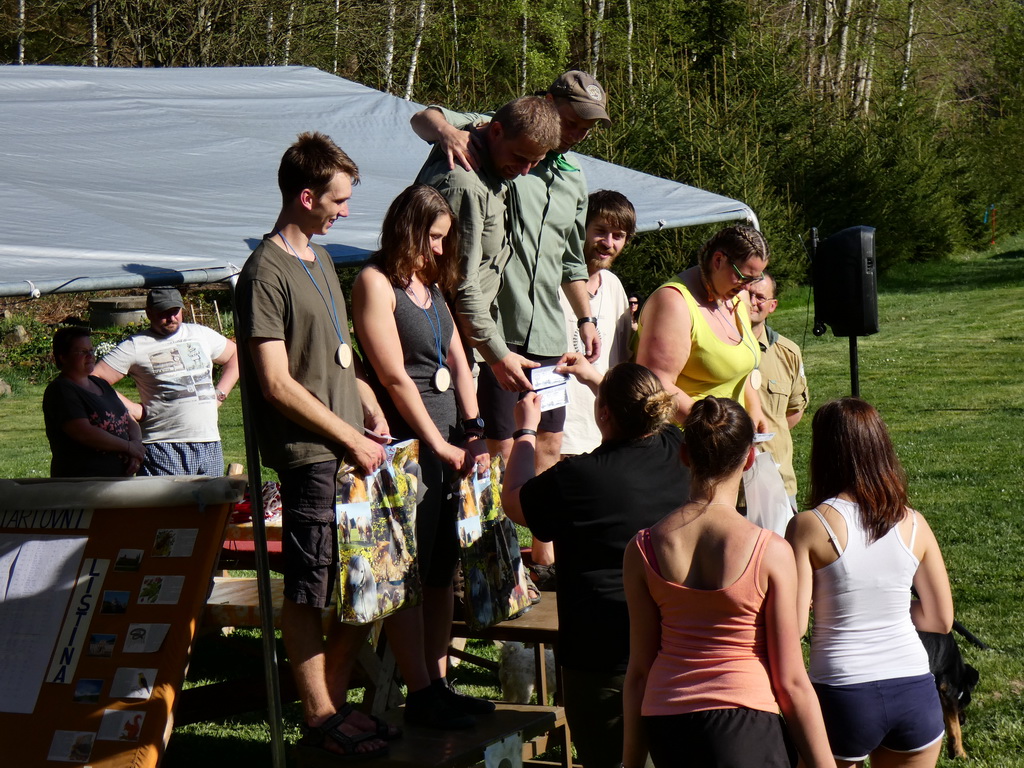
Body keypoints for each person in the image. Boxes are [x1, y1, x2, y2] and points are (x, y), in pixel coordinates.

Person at [234, 132, 398, 760]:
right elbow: (276, 383)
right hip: (312, 458)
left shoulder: (322, 261)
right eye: (338, 200)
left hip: (353, 451)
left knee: (364, 585)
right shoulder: (264, 272)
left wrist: (369, 404)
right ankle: (319, 716)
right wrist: (349, 435)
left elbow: (334, 358)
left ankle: (331, 706)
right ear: (306, 197)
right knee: (311, 589)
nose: (346, 211)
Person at [413, 69, 610, 571]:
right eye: (573, 121)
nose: (578, 133)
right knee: (499, 450)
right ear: (547, 103)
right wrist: (447, 132)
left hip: (546, 332)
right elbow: (424, 117)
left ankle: (543, 562)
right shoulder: (494, 142)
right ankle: (495, 566)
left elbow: (571, 258)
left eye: (587, 128)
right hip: (495, 332)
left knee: (548, 443)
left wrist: (585, 317)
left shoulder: (570, 175)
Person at [622, 396, 833, 768]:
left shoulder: (643, 548)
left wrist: (631, 762)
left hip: (667, 726)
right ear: (749, 459)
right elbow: (791, 681)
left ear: (684, 455)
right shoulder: (770, 551)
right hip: (745, 723)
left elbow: (639, 671)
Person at [352, 184, 494, 729]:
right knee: (407, 574)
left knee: (440, 572)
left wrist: (474, 430)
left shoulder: (430, 285)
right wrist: (436, 442)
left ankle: (440, 683)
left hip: (450, 446)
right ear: (407, 229)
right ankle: (419, 690)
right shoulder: (375, 282)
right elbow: (393, 376)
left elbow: (459, 361)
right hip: (411, 451)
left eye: (444, 239)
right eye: (433, 237)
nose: (439, 248)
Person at [501, 359, 689, 768]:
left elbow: (514, 499)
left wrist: (526, 430)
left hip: (601, 656)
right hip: (673, 644)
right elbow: (640, 408)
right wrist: (595, 379)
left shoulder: (579, 477)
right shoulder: (677, 450)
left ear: (603, 413)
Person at [786, 398, 954, 768]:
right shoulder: (914, 522)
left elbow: (795, 626)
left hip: (842, 693)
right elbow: (940, 619)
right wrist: (889, 606)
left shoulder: (809, 525)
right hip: (914, 690)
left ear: (823, 452)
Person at [634, 225, 768, 431]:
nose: (747, 287)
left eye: (754, 278)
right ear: (718, 260)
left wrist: (755, 409)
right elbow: (656, 383)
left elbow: (743, 367)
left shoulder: (737, 297)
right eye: (743, 276)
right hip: (685, 439)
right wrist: (712, 429)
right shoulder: (673, 303)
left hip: (727, 439)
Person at [93, 287, 239, 477]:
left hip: (209, 442)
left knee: (211, 496)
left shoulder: (201, 334)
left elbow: (235, 355)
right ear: (149, 313)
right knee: (168, 497)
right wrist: (132, 409)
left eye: (175, 311)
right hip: (163, 445)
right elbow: (94, 378)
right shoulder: (136, 345)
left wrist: (219, 394)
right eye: (164, 313)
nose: (171, 318)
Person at [558, 190, 636, 457]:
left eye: (618, 236)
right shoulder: (552, 280)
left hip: (603, 435)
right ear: (582, 228)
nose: (608, 243)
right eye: (600, 231)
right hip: (556, 433)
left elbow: (623, 361)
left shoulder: (613, 286)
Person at [43, 326, 145, 478]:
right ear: (63, 357)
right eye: (82, 352)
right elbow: (84, 433)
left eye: (91, 350)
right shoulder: (61, 390)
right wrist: (129, 447)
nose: (90, 356)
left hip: (119, 480)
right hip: (83, 482)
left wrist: (136, 448)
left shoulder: (100, 383)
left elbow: (128, 418)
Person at [746, 273, 808, 508]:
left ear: (772, 306)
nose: (752, 302)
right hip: (725, 486)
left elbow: (794, 411)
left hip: (777, 482)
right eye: (747, 294)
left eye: (760, 297)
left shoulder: (787, 353)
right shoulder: (714, 349)